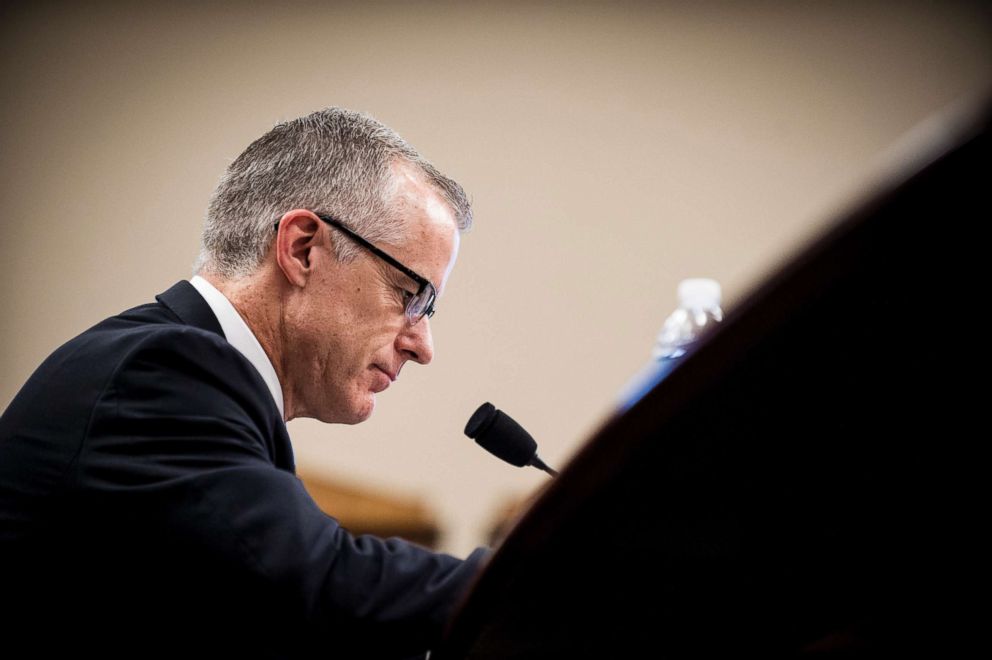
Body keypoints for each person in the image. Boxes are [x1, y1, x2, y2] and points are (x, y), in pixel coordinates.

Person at [0, 108, 487, 658]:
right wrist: (540, 584)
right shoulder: (160, 369)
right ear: (303, 248)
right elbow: (318, 582)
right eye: (410, 296)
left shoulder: (180, 370)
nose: (422, 346)